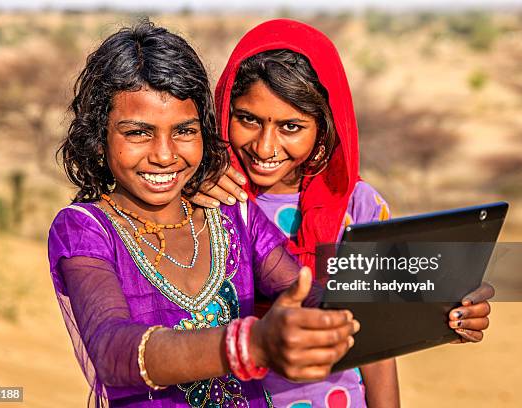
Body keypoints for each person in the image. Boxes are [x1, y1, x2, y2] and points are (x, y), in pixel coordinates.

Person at [49, 21, 360, 407]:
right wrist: (249, 344)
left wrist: (438, 312)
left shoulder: (231, 212)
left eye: (184, 131)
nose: (164, 155)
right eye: (138, 133)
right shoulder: (85, 229)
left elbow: (310, 297)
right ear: (99, 137)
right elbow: (112, 350)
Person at [192, 19, 493, 407]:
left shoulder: (359, 206)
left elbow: (378, 341)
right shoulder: (207, 196)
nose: (265, 146)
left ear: (323, 128)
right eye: (248, 119)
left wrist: (448, 309)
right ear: (224, 110)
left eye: (291, 126)